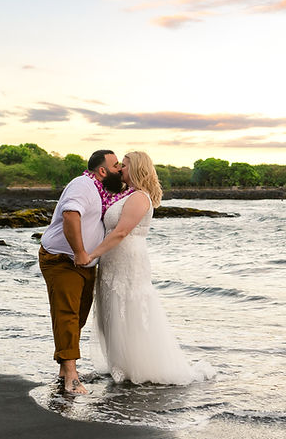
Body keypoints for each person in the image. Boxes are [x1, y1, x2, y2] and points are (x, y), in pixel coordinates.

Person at [87, 151, 213, 385]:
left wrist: (91, 254)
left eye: (123, 166)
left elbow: (122, 231)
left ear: (135, 169)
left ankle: (137, 366)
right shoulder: (127, 194)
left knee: (129, 310)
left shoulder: (140, 198)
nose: (119, 169)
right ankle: (121, 365)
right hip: (112, 259)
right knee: (111, 311)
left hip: (127, 260)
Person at [38, 149, 125, 394]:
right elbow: (70, 215)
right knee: (67, 313)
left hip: (84, 264)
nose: (119, 169)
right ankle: (72, 378)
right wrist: (79, 251)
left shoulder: (102, 191)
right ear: (102, 170)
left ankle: (64, 368)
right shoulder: (83, 185)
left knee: (78, 316)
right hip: (63, 259)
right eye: (116, 165)